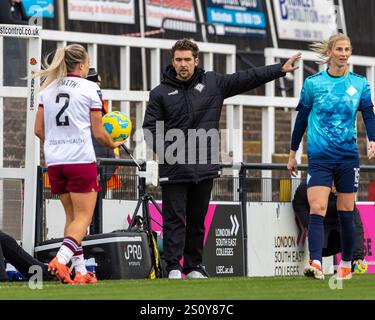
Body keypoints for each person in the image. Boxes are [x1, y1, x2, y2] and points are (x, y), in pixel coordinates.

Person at [143, 38, 301, 279]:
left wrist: (279, 69)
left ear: (196, 61)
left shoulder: (214, 83)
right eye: (178, 60)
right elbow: (150, 129)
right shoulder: (159, 93)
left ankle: (194, 266)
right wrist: (170, 153)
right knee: (174, 221)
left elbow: (246, 77)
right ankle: (172, 267)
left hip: (204, 167)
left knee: (197, 221)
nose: (183, 64)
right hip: (174, 169)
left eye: (187, 59)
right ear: (172, 62)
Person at [287, 34, 375, 281]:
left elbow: (368, 113)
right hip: (320, 157)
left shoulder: (360, 84)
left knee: (346, 210)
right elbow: (302, 120)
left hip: (348, 158)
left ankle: (345, 264)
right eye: (339, 49)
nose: (344, 53)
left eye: (347, 49)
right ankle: (315, 263)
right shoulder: (313, 84)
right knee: (318, 207)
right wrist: (293, 153)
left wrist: (372, 139)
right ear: (330, 51)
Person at [34, 44, 123, 284]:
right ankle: (60, 261)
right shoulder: (89, 88)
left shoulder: (48, 88)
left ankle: (81, 271)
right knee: (84, 218)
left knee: (72, 219)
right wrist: (116, 140)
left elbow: (38, 129)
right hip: (80, 159)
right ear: (82, 65)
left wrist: (56, 142)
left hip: (55, 161)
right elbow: (99, 132)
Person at [292, 181, 367, 272]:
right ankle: (316, 265)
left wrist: (358, 257)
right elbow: (298, 203)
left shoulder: (345, 192)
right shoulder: (308, 187)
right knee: (317, 234)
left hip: (339, 232)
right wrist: (309, 224)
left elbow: (356, 225)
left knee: (350, 231)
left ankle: (351, 264)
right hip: (318, 228)